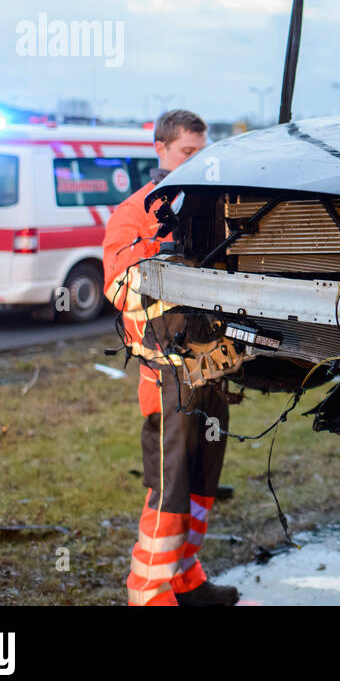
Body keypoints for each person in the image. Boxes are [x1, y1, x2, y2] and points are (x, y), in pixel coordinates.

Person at [103, 109, 238, 606]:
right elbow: (118, 287)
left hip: (215, 370)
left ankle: (185, 578)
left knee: (203, 483)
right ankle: (149, 592)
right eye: (187, 154)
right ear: (160, 149)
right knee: (170, 488)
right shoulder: (134, 212)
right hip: (168, 376)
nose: (197, 164)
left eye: (204, 155)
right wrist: (172, 252)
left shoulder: (215, 209)